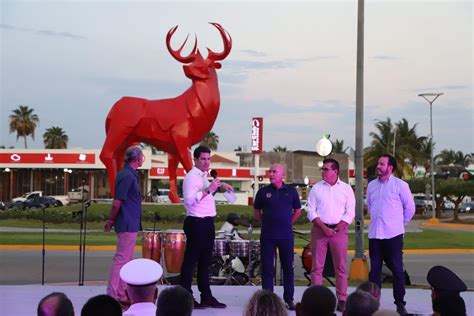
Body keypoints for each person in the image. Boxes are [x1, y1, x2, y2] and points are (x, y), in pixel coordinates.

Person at [179, 146, 233, 309]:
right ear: (195, 160)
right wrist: (209, 189)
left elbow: (205, 196)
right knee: (191, 262)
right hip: (196, 223)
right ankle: (186, 297)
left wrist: (219, 186)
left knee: (205, 262)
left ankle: (206, 296)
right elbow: (189, 200)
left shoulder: (203, 176)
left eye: (208, 159)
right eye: (203, 159)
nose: (206, 162)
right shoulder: (192, 177)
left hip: (207, 223)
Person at [367, 154, 415, 315]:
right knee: (374, 271)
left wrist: (399, 225)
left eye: (382, 164)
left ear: (390, 168)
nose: (378, 166)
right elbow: (370, 205)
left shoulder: (400, 185)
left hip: (393, 236)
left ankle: (400, 304)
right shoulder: (372, 185)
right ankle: (373, 303)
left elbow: (410, 209)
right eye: (378, 163)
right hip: (375, 235)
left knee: (397, 271)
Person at [306, 158, 355, 312]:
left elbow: (350, 211)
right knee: (317, 267)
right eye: (322, 169)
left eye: (326, 169)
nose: (323, 172)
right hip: (320, 230)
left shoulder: (346, 189)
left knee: (340, 267)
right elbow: (310, 210)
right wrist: (323, 227)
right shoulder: (316, 188)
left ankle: (342, 299)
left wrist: (339, 227)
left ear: (335, 171)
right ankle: (316, 299)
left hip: (339, 232)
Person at [253, 163, 302, 310]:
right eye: (270, 171)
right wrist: (267, 222)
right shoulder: (263, 192)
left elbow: (298, 210)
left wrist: (288, 223)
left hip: (286, 236)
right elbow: (256, 211)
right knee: (267, 268)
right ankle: (268, 301)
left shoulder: (291, 191)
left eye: (274, 172)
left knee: (288, 267)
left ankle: (289, 299)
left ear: (282, 175)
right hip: (268, 235)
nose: (271, 174)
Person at [105, 146, 145, 303]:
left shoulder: (130, 174)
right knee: (121, 260)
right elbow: (117, 202)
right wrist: (111, 220)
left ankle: (121, 294)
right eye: (141, 156)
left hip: (131, 223)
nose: (143, 158)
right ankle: (112, 295)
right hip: (127, 223)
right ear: (136, 159)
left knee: (126, 261)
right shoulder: (127, 176)